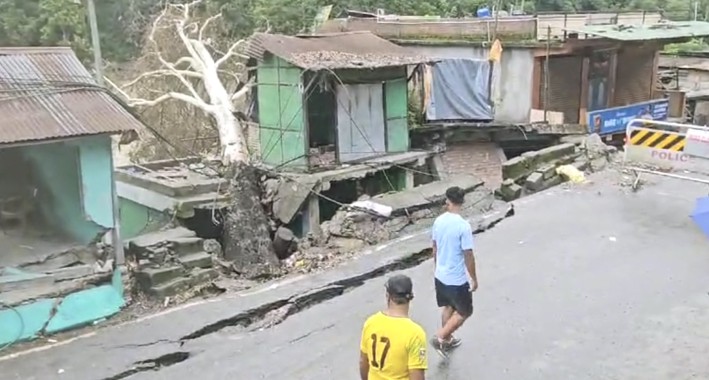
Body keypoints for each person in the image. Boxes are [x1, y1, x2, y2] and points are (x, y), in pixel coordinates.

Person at [429, 186, 478, 358]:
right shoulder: (463, 226)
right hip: (456, 279)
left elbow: (434, 248)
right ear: (462, 202)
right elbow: (468, 255)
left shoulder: (438, 221)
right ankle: (441, 337)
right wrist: (473, 279)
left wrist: (437, 267)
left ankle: (447, 340)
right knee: (465, 311)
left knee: (449, 306)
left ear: (447, 201)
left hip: (440, 275)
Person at [359, 274, 427, 380]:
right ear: (411, 297)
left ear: (388, 296)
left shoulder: (370, 323)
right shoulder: (415, 333)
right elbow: (417, 376)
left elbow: (363, 362)